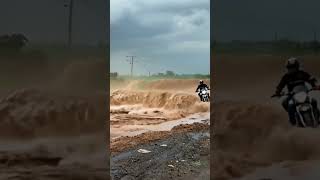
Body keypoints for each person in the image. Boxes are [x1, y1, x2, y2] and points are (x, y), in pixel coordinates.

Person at [273, 57, 319, 125]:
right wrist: (277, 93)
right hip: (292, 96)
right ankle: (293, 123)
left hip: (304, 94)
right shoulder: (286, 77)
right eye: (289, 67)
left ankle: (317, 118)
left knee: (314, 101)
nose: (291, 69)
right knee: (286, 104)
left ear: (297, 66)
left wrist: (315, 86)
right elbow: (280, 86)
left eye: (292, 67)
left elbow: (311, 79)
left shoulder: (302, 73)